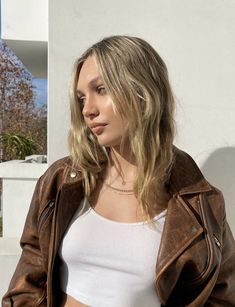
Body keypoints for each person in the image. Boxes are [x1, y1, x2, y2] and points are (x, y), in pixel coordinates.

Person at [2, 35, 235, 307]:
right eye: (81, 98)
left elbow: (222, 297)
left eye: (100, 89)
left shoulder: (200, 203)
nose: (87, 110)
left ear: (143, 91)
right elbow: (28, 281)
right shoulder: (62, 180)